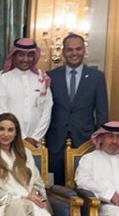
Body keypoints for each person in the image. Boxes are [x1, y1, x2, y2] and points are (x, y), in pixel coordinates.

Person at [45, 33, 108, 185]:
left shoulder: (96, 77)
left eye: (78, 49)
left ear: (84, 50)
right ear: (63, 52)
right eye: (70, 49)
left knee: (84, 183)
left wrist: (100, 140)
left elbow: (102, 112)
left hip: (85, 141)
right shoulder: (50, 76)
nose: (74, 53)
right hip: (55, 140)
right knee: (56, 186)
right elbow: (44, 110)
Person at [0, 38, 53, 146]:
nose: (25, 59)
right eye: (21, 55)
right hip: (10, 141)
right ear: (14, 55)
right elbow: (1, 113)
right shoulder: (3, 80)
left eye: (30, 55)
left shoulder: (42, 79)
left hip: (36, 143)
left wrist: (35, 138)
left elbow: (47, 111)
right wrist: (21, 138)